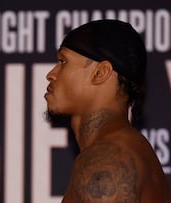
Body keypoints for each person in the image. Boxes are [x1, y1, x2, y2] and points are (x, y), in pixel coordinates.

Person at [44, 19, 171, 202]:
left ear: (100, 73)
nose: (51, 74)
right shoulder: (120, 149)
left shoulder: (108, 160)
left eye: (63, 62)